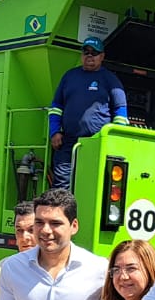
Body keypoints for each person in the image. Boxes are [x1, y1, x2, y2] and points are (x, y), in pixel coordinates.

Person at [47, 38, 128, 189]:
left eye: (94, 53)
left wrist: (114, 141)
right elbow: (56, 106)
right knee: (61, 186)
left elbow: (121, 112)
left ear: (102, 56)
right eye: (86, 52)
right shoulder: (69, 76)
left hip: (96, 143)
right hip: (68, 142)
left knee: (92, 185)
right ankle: (61, 213)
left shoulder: (110, 79)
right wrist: (54, 132)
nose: (89, 56)